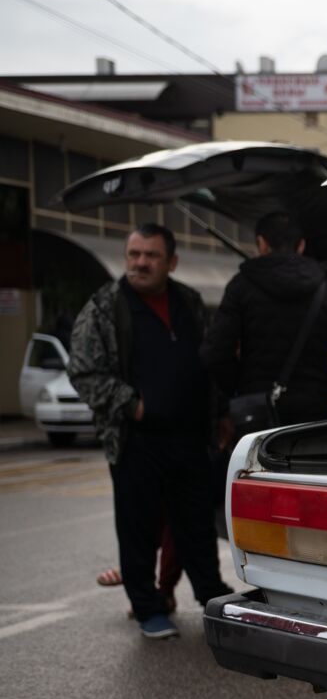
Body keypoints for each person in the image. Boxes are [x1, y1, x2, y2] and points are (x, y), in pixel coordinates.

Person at [68, 223, 232, 639]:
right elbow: (84, 372)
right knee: (138, 526)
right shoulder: (106, 306)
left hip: (190, 438)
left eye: (151, 255)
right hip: (136, 441)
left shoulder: (190, 302)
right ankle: (148, 607)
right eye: (134, 255)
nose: (140, 263)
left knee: (195, 524)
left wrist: (219, 416)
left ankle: (211, 596)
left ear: (171, 262)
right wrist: (133, 406)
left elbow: (210, 364)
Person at [202, 211, 327, 432]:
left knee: (256, 467)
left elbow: (214, 354)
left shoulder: (241, 287)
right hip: (312, 417)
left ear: (261, 244)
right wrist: (320, 390)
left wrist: (244, 390)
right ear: (301, 246)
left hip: (256, 415)